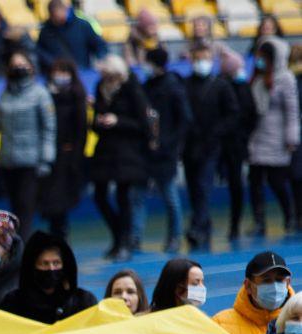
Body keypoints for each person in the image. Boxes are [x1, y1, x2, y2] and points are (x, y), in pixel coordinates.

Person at [90, 56, 149, 262]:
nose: (106, 78)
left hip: (127, 153)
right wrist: (98, 121)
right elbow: (94, 123)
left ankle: (124, 243)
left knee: (124, 198)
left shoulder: (132, 88)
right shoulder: (100, 87)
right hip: (105, 150)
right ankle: (118, 237)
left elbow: (142, 124)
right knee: (99, 196)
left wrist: (118, 121)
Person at [0, 51, 55, 239]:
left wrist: (46, 158)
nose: (18, 68)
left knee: (25, 207)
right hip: (8, 160)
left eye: (22, 64)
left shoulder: (40, 94)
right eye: (14, 64)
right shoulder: (5, 93)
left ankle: (23, 246)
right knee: (13, 207)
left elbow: (49, 128)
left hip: (31, 161)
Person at [184, 40, 238, 251]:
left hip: (211, 145)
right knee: (193, 188)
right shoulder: (186, 84)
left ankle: (197, 227)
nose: (201, 63)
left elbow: (232, 114)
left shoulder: (220, 85)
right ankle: (204, 224)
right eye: (198, 59)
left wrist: (217, 131)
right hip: (190, 146)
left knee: (204, 186)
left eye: (205, 58)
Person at [139, 48, 190, 255]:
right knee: (139, 196)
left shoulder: (172, 87)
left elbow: (184, 119)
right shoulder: (147, 86)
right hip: (147, 152)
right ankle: (135, 238)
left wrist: (169, 143)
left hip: (165, 153)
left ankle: (175, 237)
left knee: (170, 196)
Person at [248, 37, 298, 236]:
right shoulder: (257, 78)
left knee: (277, 182)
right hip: (258, 136)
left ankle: (289, 216)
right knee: (255, 181)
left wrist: (291, 137)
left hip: (277, 137)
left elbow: (292, 109)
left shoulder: (285, 78)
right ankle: (259, 221)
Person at [0, 230, 97, 323]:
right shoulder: (13, 303)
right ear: (32, 267)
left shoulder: (84, 301)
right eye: (44, 263)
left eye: (56, 263)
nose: (51, 268)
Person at [40, 59, 88, 239]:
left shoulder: (76, 96)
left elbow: (81, 129)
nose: (59, 75)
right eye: (57, 70)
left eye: (64, 71)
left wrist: (75, 156)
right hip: (48, 155)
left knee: (59, 203)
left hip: (66, 157)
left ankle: (60, 236)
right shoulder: (44, 95)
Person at [213, 250, 294, 334]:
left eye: (279, 280)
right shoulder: (221, 325)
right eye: (266, 280)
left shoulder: (298, 320)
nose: (275, 287)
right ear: (248, 286)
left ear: (288, 283)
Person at [221, 51, 255, 241]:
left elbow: (250, 115)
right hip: (221, 144)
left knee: (236, 184)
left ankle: (235, 224)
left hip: (236, 145)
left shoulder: (243, 88)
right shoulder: (220, 86)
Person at [35, 0, 107, 75]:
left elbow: (99, 44)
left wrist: (100, 58)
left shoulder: (82, 25)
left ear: (65, 10)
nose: (58, 20)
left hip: (82, 71)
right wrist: (52, 62)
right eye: (55, 17)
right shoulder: (46, 30)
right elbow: (40, 50)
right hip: (58, 73)